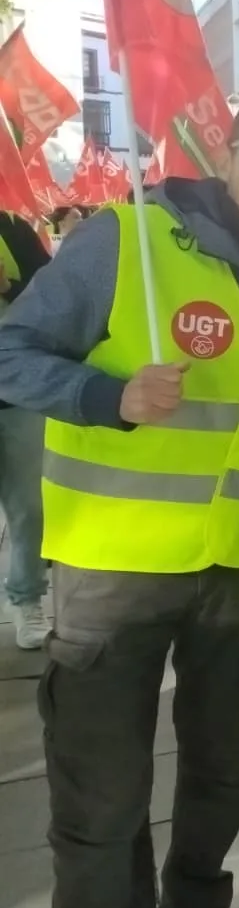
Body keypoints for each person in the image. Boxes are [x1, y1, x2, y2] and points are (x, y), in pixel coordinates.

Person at [0, 88, 239, 908]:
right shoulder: (130, 238)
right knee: (101, 798)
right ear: (226, 151)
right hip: (113, 570)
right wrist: (104, 396)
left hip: (236, 575)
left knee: (225, 775)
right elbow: (11, 349)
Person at [0, 206, 55, 648]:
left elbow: (56, 294)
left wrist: (11, 288)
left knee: (30, 507)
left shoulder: (13, 226)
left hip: (17, 394)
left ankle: (27, 598)